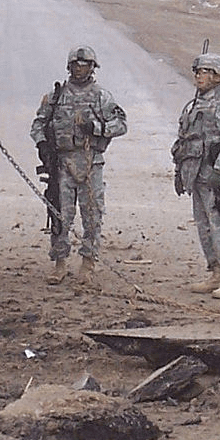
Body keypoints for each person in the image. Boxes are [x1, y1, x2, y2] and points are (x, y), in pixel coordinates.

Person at [31, 46, 129, 285]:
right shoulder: (55, 96)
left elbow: (121, 124)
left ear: (92, 68)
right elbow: (37, 125)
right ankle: (60, 262)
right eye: (76, 65)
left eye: (85, 65)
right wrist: (42, 144)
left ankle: (88, 262)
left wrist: (96, 128)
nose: (80, 69)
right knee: (59, 215)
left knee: (92, 214)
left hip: (89, 164)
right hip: (62, 164)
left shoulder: (101, 96)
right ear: (69, 67)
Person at [172, 51, 220, 298]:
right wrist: (180, 170)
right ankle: (216, 271)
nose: (199, 76)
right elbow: (185, 138)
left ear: (218, 76)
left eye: (205, 72)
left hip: (218, 178)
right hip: (197, 174)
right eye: (198, 71)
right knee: (205, 226)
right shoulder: (197, 103)